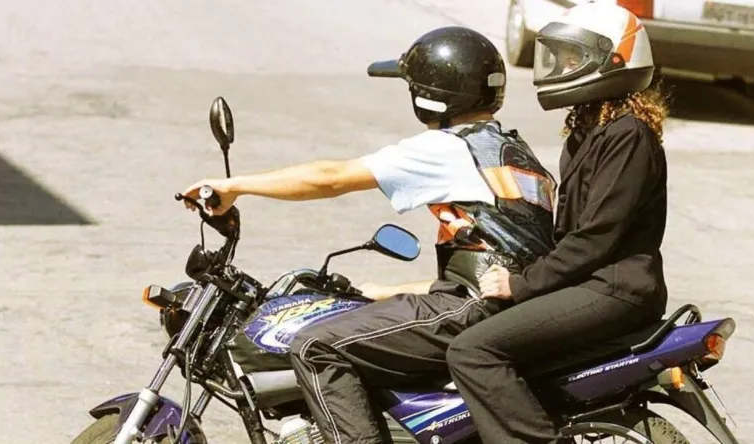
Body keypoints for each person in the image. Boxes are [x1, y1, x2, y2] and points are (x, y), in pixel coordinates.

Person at [182, 26, 557, 444]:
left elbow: (330, 177)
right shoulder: (512, 150)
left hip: (475, 310)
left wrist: (234, 187)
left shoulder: (448, 148)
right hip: (505, 304)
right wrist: (391, 292)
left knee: (316, 347)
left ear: (428, 96)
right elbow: (497, 257)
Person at [444, 4, 670, 443]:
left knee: (473, 352)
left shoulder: (628, 135)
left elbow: (595, 237)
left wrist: (521, 285)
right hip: (591, 282)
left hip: (615, 290)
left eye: (572, 58)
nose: (561, 67)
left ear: (613, 60)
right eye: (561, 57)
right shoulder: (589, 131)